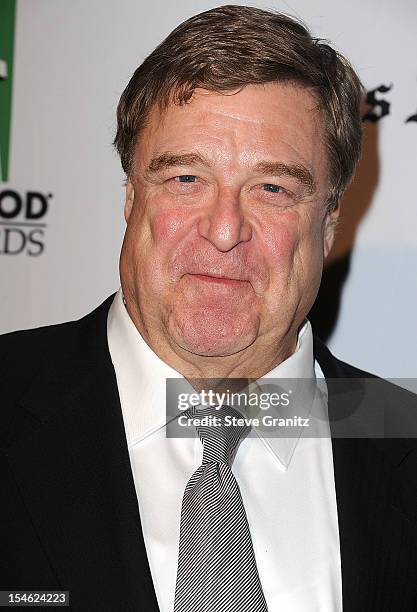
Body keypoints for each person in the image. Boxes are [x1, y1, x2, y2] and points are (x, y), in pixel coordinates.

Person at [1, 5, 417, 611]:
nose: (224, 230)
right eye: (186, 179)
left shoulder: (404, 438)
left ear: (328, 226)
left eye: (272, 188)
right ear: (130, 197)